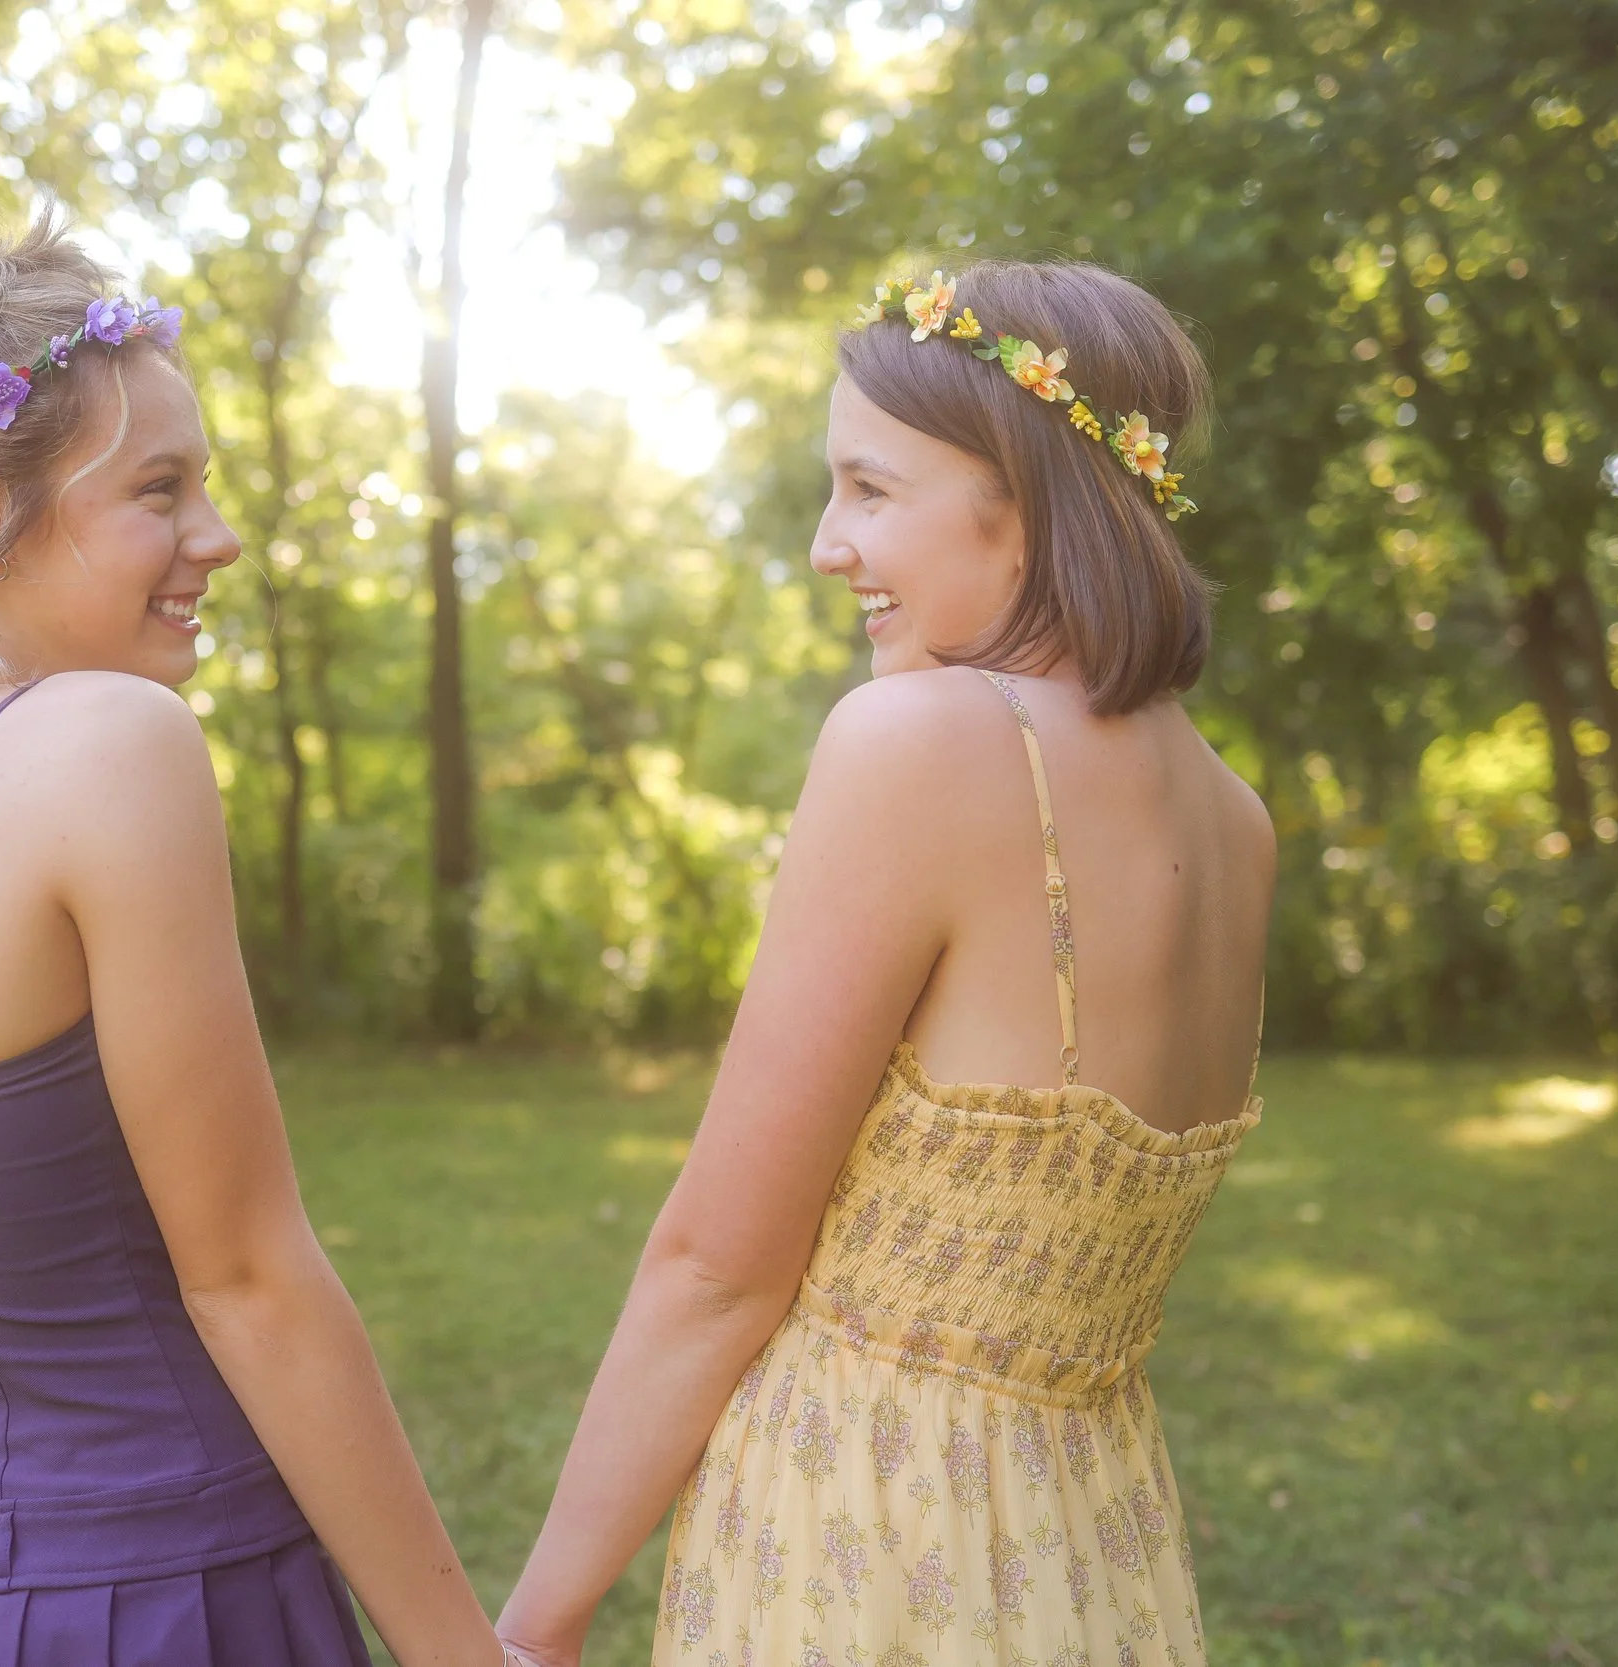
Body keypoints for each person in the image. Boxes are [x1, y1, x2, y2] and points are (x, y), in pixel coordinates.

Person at [0, 184, 510, 1667]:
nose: (214, 537)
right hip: (158, 1593)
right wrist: (463, 1653)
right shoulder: (105, 744)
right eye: (159, 490)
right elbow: (249, 1277)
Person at [495, 260, 1273, 1667]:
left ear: (1026, 500)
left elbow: (719, 1266)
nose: (824, 545)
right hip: (1093, 1550)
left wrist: (537, 1625)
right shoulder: (1238, 822)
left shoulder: (923, 743)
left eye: (869, 490)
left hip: (867, 1537)